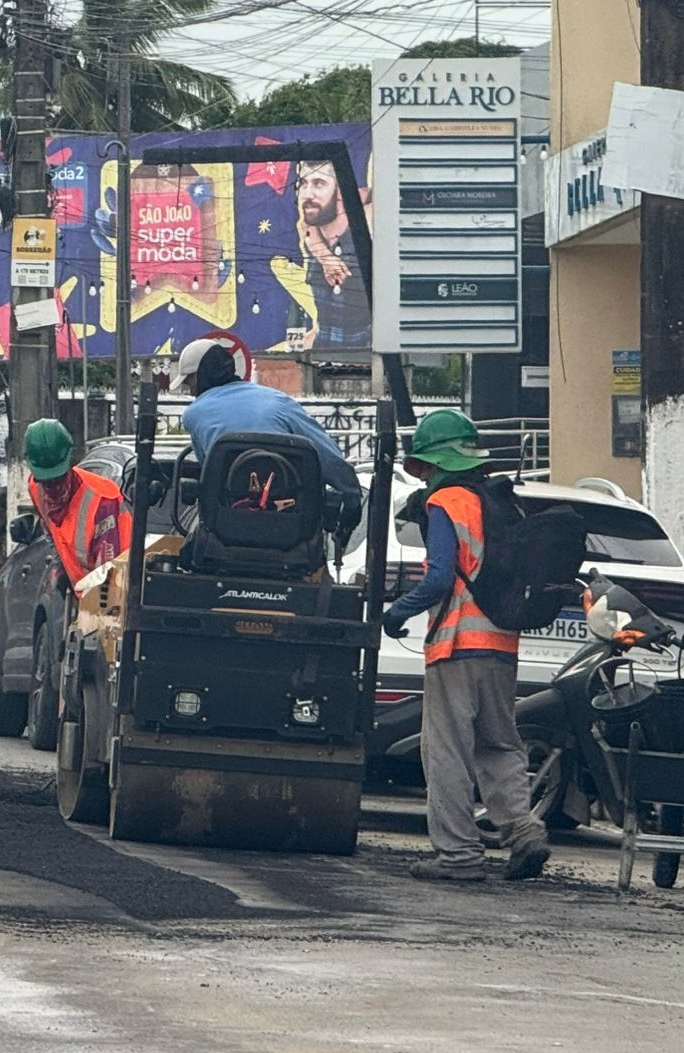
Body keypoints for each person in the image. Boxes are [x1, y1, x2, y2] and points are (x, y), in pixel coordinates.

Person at [380, 409, 551, 883]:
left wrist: (397, 612)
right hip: (501, 643)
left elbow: (439, 578)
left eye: (426, 467)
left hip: (455, 646)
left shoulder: (446, 502)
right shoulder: (501, 502)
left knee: (447, 752)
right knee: (500, 744)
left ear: (436, 463)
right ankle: (524, 831)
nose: (424, 476)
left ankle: (457, 855)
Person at [174, 340, 363, 531]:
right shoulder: (278, 401)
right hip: (293, 524)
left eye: (190, 382)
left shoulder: (194, 414)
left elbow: (209, 472)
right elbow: (328, 456)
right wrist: (352, 500)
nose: (191, 391)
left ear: (205, 374)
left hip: (228, 524)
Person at [22, 418, 132, 587]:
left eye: (58, 478)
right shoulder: (35, 489)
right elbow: (51, 531)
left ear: (71, 463)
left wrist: (92, 599)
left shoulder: (103, 500)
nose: (52, 487)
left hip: (115, 589)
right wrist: (60, 569)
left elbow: (108, 578)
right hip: (82, 590)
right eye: (45, 480)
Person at [295, 159, 371, 351]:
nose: (307, 194)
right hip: (322, 355)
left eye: (319, 183)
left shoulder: (367, 222)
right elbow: (305, 227)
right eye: (303, 183)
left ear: (340, 191)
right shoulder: (311, 233)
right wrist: (326, 258)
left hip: (365, 357)